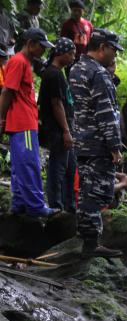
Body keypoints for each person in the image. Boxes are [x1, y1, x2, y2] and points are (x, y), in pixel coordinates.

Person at [69, 28, 124, 257]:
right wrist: (115, 146)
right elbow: (105, 113)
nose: (115, 56)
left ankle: (87, 239)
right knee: (97, 192)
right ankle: (91, 245)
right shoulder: (99, 74)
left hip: (81, 140)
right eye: (114, 50)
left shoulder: (76, 68)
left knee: (86, 191)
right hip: (98, 143)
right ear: (102, 48)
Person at [0, 28, 55, 217]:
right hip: (22, 122)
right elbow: (7, 91)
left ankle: (20, 203)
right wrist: (1, 118)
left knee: (19, 164)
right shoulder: (18, 61)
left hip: (24, 121)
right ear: (30, 44)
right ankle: (36, 205)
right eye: (41, 47)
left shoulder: (24, 63)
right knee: (29, 163)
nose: (43, 51)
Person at [39, 37, 76, 212]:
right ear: (60, 54)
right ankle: (55, 204)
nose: (73, 57)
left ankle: (68, 204)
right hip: (58, 130)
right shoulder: (52, 74)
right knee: (58, 168)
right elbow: (56, 104)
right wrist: (66, 131)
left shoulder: (58, 73)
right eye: (70, 54)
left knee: (69, 168)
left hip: (64, 128)